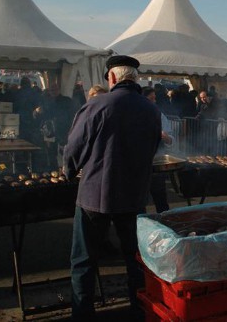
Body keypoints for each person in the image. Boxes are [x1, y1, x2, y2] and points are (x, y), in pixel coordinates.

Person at [64, 55, 161, 321]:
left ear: (113, 77)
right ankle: (139, 310)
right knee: (135, 259)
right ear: (134, 78)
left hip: (95, 195)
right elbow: (153, 147)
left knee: (84, 261)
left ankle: (82, 315)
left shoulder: (97, 104)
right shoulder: (151, 109)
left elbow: (74, 148)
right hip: (133, 195)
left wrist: (69, 172)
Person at [142, 86, 174, 212]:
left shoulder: (159, 115)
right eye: (151, 99)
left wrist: (167, 138)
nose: (154, 102)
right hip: (139, 164)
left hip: (157, 162)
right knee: (139, 201)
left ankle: (165, 220)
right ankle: (141, 225)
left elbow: (170, 137)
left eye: (155, 99)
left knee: (160, 197)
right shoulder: (133, 115)